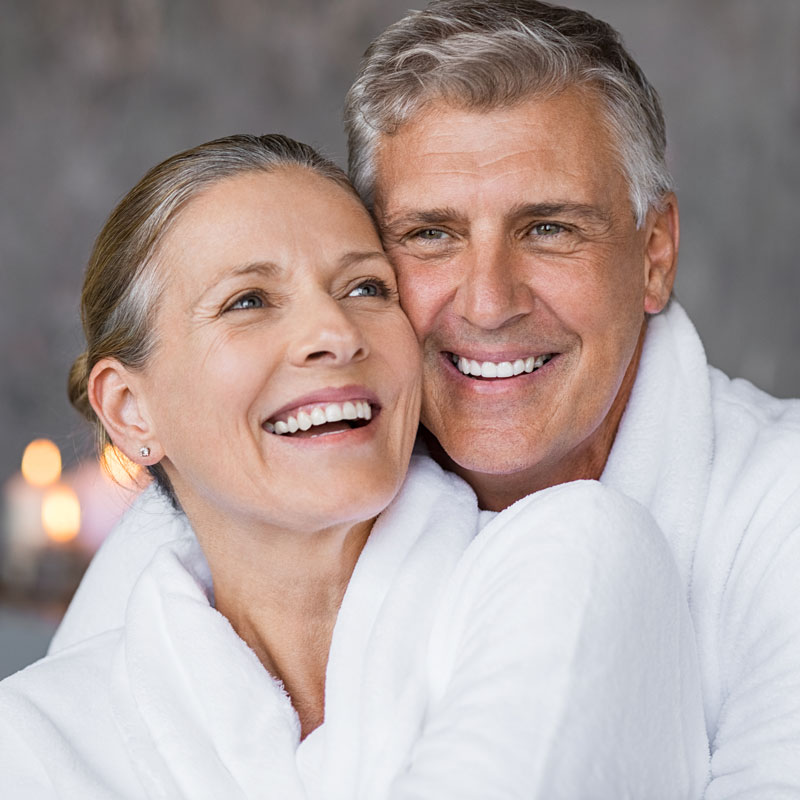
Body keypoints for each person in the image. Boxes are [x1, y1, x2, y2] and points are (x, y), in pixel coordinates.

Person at [48, 0, 800, 794]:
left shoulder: (780, 508)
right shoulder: (224, 517)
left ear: (654, 254)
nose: (487, 302)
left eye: (548, 228)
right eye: (430, 235)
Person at [0, 134, 707, 798]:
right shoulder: (39, 739)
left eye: (366, 288)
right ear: (129, 411)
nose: (335, 334)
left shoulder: (578, 560)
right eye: (248, 301)